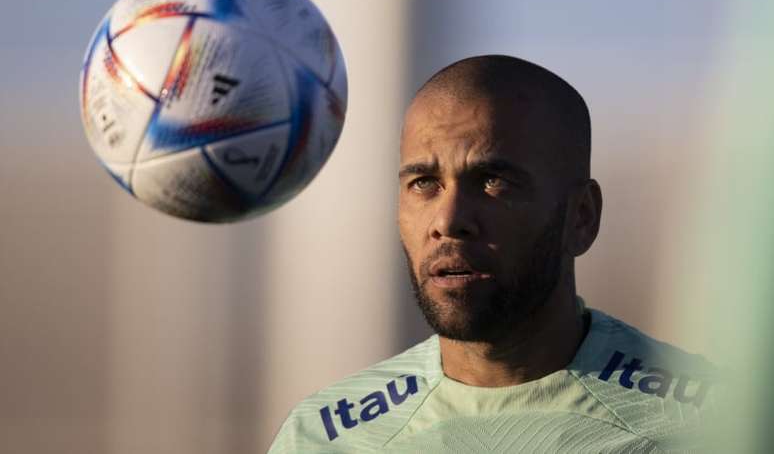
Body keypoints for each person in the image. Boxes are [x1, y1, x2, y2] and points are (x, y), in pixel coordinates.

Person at [268, 55, 716, 453]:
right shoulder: (326, 436)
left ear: (581, 217)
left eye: (491, 181)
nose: (448, 220)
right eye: (424, 183)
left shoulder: (718, 425)